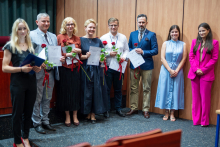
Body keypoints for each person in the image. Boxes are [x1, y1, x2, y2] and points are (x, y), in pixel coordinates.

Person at [2, 18, 41, 147]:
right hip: (17, 83)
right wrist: (21, 69)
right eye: (20, 29)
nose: (23, 31)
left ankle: (26, 137)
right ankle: (17, 141)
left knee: (28, 112)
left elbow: (35, 63)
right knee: (17, 113)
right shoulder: (10, 46)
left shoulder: (32, 45)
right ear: (15, 31)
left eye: (24, 28)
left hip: (31, 82)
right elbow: (4, 67)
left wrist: (37, 67)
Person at [30, 13, 65, 134]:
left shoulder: (53, 36)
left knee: (47, 97)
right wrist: (37, 62)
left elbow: (55, 52)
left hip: (51, 71)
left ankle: (45, 120)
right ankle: (36, 122)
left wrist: (60, 58)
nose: (46, 23)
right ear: (37, 22)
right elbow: (28, 53)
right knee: (37, 98)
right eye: (43, 21)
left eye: (48, 21)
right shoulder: (31, 35)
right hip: (38, 72)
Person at [126, 14, 158, 118]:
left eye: (143, 22)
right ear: (137, 22)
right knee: (133, 87)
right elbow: (128, 48)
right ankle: (134, 108)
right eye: (139, 22)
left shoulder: (151, 35)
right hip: (134, 65)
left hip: (147, 65)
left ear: (146, 23)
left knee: (146, 88)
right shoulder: (132, 34)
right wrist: (134, 50)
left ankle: (145, 109)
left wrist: (143, 51)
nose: (141, 24)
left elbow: (155, 50)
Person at [188, 23, 219, 127]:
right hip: (194, 73)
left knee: (205, 99)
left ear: (208, 30)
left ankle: (204, 122)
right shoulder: (194, 42)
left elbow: (214, 59)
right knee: (196, 99)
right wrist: (196, 69)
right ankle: (196, 120)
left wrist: (203, 70)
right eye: (200, 31)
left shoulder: (214, 43)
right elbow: (191, 56)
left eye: (203, 30)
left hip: (206, 75)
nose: (201, 33)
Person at [155, 25, 187, 121]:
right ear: (170, 33)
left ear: (179, 33)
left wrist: (176, 70)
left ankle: (172, 112)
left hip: (178, 70)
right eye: (172, 32)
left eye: (176, 31)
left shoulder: (183, 44)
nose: (174, 33)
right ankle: (166, 112)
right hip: (165, 69)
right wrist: (169, 69)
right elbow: (162, 58)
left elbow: (184, 58)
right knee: (165, 89)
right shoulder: (165, 43)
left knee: (176, 90)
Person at [80, 19, 108, 124]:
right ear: (85, 28)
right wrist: (85, 56)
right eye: (90, 27)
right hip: (85, 69)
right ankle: (87, 112)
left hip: (96, 69)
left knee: (96, 90)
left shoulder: (98, 41)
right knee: (86, 91)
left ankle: (93, 114)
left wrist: (103, 58)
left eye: (94, 27)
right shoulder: (80, 40)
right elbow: (79, 56)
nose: (92, 29)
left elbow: (102, 54)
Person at [100, 17, 129, 117]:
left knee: (118, 89)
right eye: (111, 25)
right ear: (108, 26)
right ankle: (106, 109)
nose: (113, 27)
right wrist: (108, 53)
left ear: (118, 26)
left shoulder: (123, 37)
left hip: (119, 67)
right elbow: (100, 52)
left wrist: (124, 57)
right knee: (107, 89)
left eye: (115, 25)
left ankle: (118, 108)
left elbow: (126, 50)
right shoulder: (103, 38)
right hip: (108, 67)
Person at [57, 17, 82, 127]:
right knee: (65, 92)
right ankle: (67, 116)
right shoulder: (59, 37)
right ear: (64, 26)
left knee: (75, 91)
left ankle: (75, 115)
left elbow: (80, 55)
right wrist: (65, 55)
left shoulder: (77, 38)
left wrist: (80, 51)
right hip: (64, 68)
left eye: (72, 24)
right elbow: (55, 52)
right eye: (68, 24)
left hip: (76, 68)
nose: (70, 26)